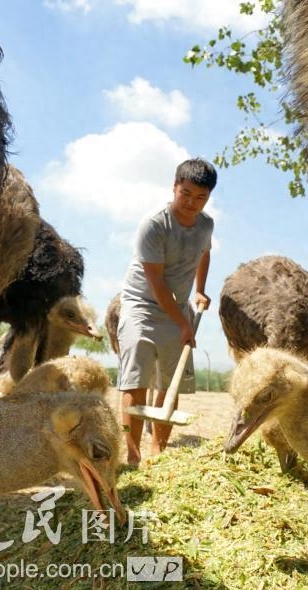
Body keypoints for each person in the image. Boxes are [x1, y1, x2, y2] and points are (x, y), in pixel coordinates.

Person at [116, 158, 217, 465]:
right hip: (141, 305)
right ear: (174, 187)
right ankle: (133, 457)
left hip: (177, 306)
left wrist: (199, 289)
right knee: (136, 379)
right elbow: (156, 282)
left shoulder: (205, 224)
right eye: (185, 193)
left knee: (171, 383)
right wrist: (183, 324)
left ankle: (157, 451)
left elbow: (204, 253)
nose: (191, 203)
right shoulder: (155, 224)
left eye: (200, 197)